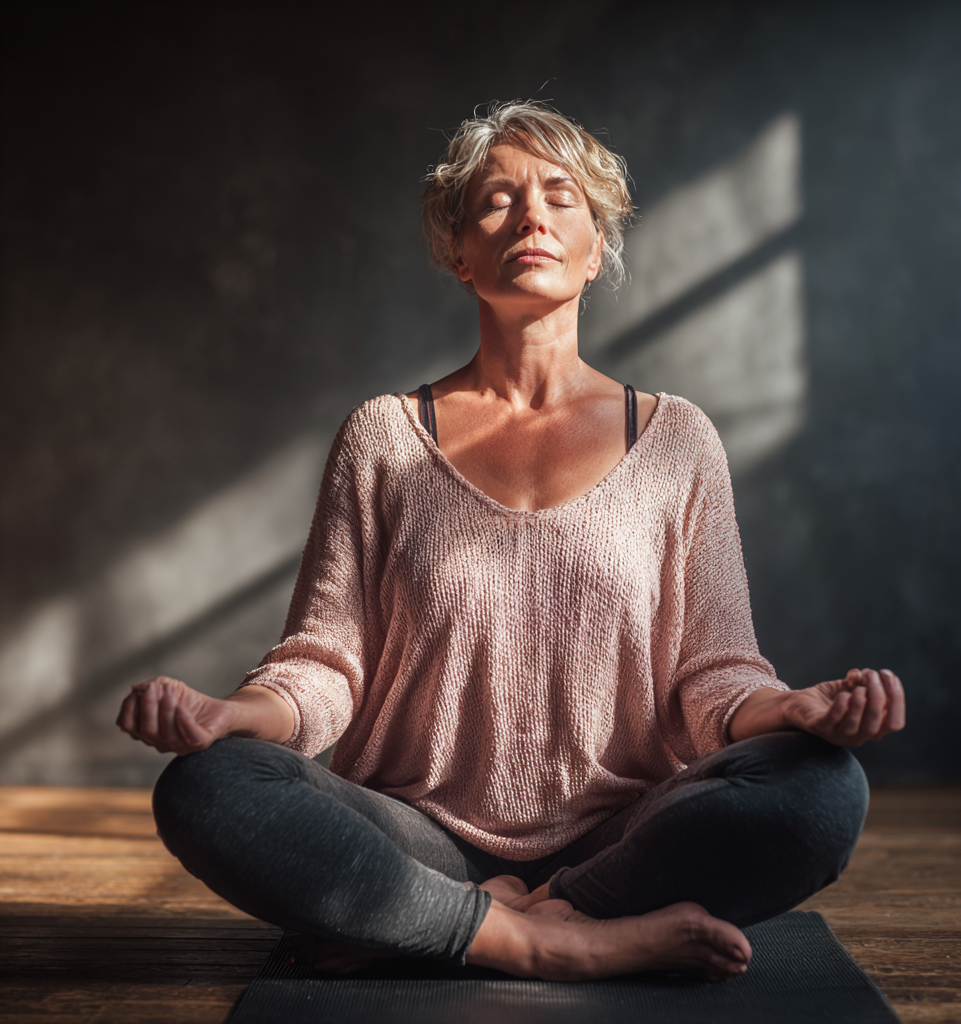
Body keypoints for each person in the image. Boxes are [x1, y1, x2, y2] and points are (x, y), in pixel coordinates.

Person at [117, 100, 905, 982]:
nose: (531, 215)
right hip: (418, 837)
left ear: (597, 246)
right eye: (497, 200)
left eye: (561, 197)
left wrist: (794, 711)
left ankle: (472, 927)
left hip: (628, 838)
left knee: (823, 789)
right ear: (459, 252)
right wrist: (231, 717)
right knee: (209, 787)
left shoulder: (678, 439)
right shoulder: (383, 435)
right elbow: (324, 664)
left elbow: (713, 674)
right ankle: (551, 942)